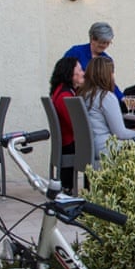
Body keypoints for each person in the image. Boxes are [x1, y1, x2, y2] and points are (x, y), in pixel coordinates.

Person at [49, 56, 85, 192]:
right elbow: (76, 126)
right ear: (70, 73)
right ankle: (91, 190)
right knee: (99, 148)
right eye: (80, 70)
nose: (83, 73)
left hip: (64, 143)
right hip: (70, 144)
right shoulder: (66, 96)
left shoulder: (60, 91)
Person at [64, 22, 123, 100]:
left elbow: (110, 82)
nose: (104, 45)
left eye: (108, 43)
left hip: (96, 100)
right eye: (102, 42)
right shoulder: (76, 52)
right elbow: (64, 73)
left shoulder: (107, 59)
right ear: (92, 38)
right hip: (76, 97)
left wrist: (122, 98)